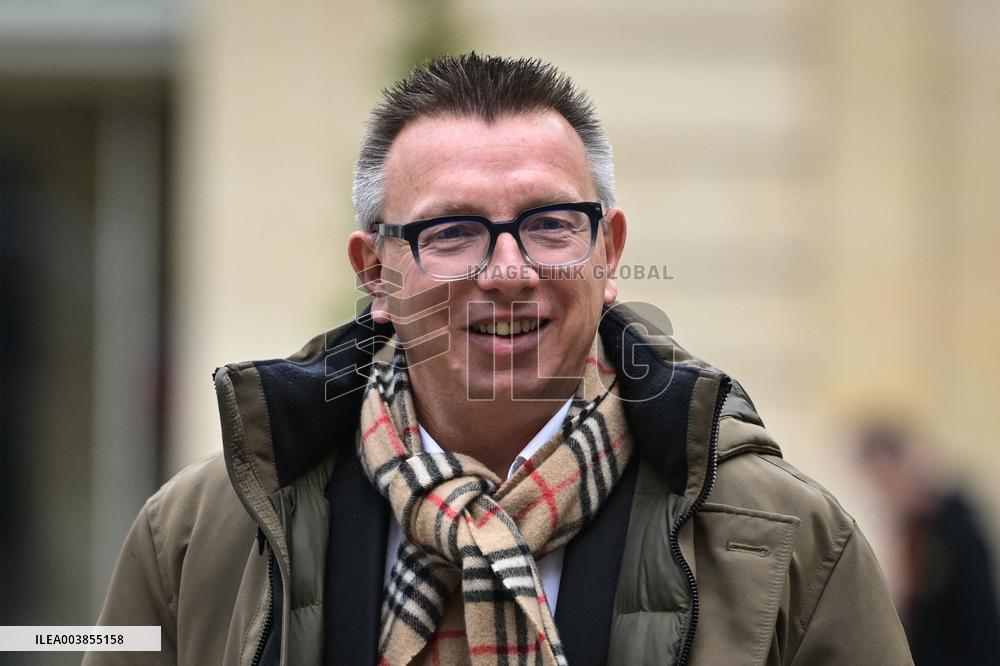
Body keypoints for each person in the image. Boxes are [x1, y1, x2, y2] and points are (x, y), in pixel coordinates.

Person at [87, 54, 912, 665]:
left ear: (609, 253)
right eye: (452, 232)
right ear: (375, 272)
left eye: (550, 224)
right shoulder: (196, 537)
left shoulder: (785, 540)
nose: (509, 272)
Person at [857, 420, 1000, 664]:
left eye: (885, 479)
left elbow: (975, 618)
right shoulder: (912, 529)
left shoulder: (956, 526)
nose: (884, 493)